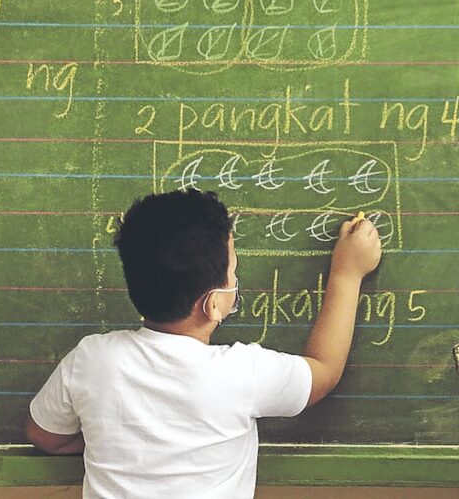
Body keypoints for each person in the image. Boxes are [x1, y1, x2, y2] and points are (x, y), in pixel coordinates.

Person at [25, 188, 382, 498]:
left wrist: (113, 442)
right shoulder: (242, 374)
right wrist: (347, 273)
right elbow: (325, 370)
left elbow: (45, 436)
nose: (235, 278)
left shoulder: (91, 359)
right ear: (213, 303)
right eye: (233, 271)